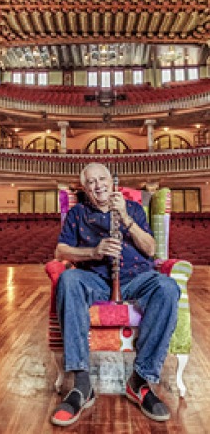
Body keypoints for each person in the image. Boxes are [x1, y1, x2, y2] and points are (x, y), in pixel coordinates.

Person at [50, 163, 180, 426]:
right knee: (68, 279)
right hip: (94, 278)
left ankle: (140, 381)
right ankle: (82, 384)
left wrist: (126, 219)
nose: (98, 186)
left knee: (168, 288)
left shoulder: (132, 209)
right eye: (91, 182)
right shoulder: (77, 213)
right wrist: (94, 252)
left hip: (137, 277)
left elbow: (151, 249)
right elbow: (60, 252)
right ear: (84, 189)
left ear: (112, 182)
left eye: (102, 179)